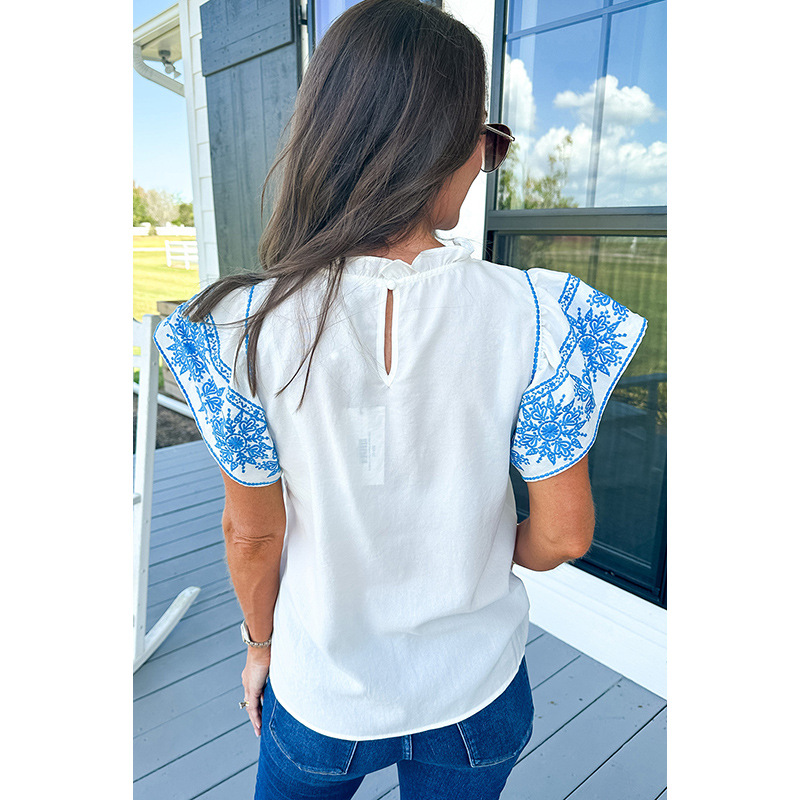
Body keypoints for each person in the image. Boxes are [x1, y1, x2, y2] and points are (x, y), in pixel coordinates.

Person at [153, 1, 647, 798]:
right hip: (476, 689)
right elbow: (564, 534)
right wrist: (484, 551)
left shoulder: (241, 328)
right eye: (485, 140)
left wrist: (259, 647)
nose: (484, 161)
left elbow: (252, 536)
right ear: (442, 144)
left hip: (324, 691)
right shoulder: (542, 316)